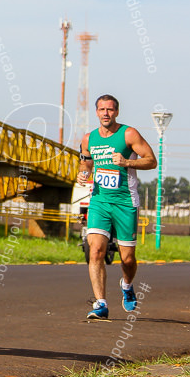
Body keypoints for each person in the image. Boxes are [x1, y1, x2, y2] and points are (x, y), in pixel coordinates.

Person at [76, 95, 157, 320]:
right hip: (100, 201)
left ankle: (127, 285)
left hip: (125, 203)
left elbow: (151, 160)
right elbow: (86, 161)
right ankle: (100, 303)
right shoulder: (88, 138)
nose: (105, 113)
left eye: (110, 110)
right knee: (95, 251)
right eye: (101, 109)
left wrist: (127, 162)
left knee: (128, 259)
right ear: (96, 112)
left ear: (117, 112)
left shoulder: (128, 134)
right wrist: (83, 172)